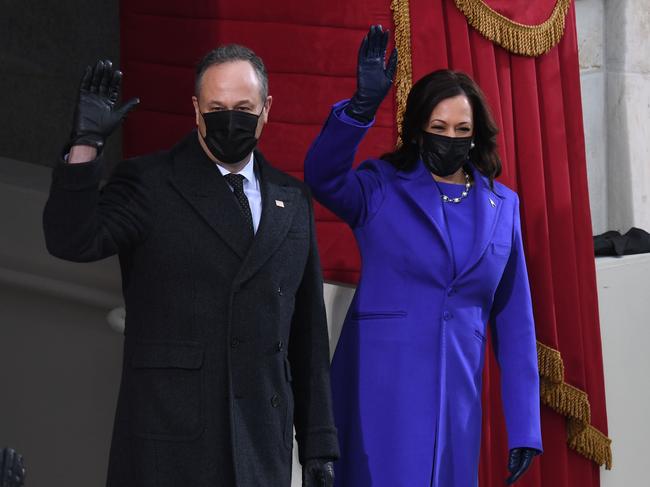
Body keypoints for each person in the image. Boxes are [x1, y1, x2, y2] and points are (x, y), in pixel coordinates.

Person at [43, 46, 338, 487]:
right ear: (196, 109)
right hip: (170, 444)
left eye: (243, 108)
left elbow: (308, 335)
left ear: (267, 110)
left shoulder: (291, 200)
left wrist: (318, 446)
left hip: (259, 445)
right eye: (217, 108)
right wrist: (86, 146)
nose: (229, 120)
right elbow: (71, 240)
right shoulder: (149, 182)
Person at [304, 25, 542, 487]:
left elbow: (515, 323)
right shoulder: (379, 187)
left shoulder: (503, 206)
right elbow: (322, 176)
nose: (450, 138)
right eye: (438, 128)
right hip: (377, 393)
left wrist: (525, 427)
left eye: (461, 130)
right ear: (417, 130)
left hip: (457, 403)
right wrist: (359, 109)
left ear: (476, 136)